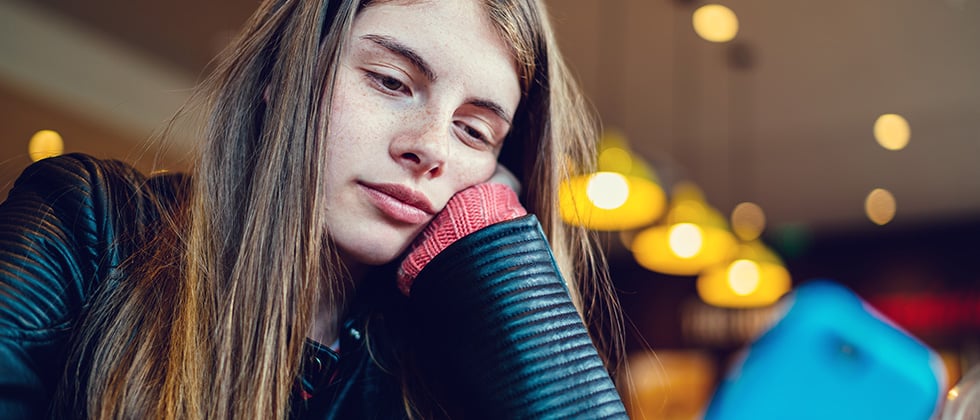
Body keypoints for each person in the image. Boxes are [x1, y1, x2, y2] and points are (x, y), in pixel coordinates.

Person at [0, 0, 627, 418]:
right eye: (390, 81)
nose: (431, 147)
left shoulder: (439, 355)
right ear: (287, 77)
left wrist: (503, 266)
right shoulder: (84, 222)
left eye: (474, 131)